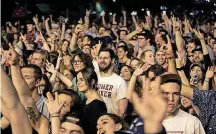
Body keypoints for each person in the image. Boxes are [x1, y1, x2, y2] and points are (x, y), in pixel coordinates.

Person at [129, 74, 205, 134]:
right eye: (166, 93)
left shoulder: (192, 122)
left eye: (175, 94)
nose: (171, 99)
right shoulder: (141, 123)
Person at [97, 48, 128, 117]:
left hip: (110, 122)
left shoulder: (119, 81)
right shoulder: (94, 78)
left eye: (105, 58)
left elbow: (122, 111)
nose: (102, 60)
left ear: (113, 60)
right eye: (100, 58)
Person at [77, 68, 107, 134]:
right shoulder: (85, 100)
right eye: (77, 80)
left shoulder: (98, 105)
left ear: (92, 81)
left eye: (81, 80)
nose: (78, 83)